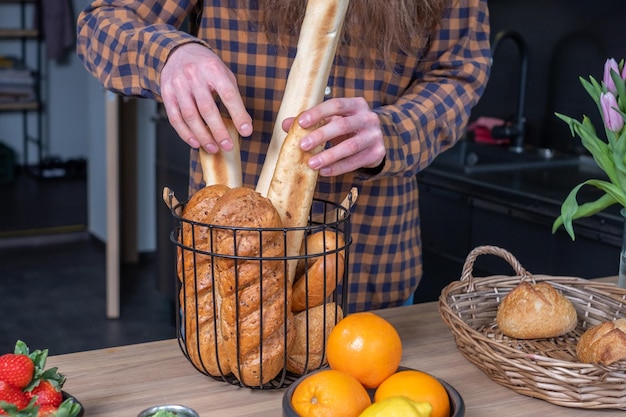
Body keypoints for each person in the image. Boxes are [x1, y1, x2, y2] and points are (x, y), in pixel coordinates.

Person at [76, 0, 491, 313]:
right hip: (226, 268)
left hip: (371, 260)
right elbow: (101, 22)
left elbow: (459, 70)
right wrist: (168, 56)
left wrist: (395, 130)